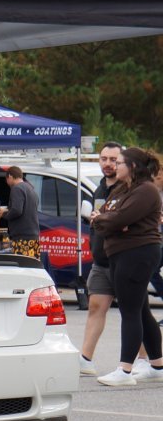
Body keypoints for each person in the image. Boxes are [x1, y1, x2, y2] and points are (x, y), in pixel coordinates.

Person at [88, 146, 163, 386]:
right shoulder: (122, 189)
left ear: (131, 166)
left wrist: (107, 220)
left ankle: (125, 370)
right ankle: (158, 364)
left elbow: (118, 218)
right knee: (140, 309)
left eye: (119, 162)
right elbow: (106, 215)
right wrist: (106, 220)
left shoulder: (146, 191)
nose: (115, 166)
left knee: (129, 311)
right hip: (121, 253)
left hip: (137, 254)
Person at [78, 141, 125, 375]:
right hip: (101, 261)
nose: (108, 164)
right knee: (95, 306)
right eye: (104, 159)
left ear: (123, 162)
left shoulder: (129, 188)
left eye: (113, 160)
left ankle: (151, 361)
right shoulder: (99, 188)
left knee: (135, 312)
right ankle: (85, 360)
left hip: (124, 260)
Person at [0, 166, 41, 259]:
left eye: (6, 179)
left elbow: (17, 210)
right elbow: (27, 208)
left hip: (22, 238)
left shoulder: (16, 188)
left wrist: (4, 214)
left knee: (22, 266)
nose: (7, 183)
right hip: (33, 236)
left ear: (9, 176)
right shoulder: (31, 189)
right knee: (32, 266)